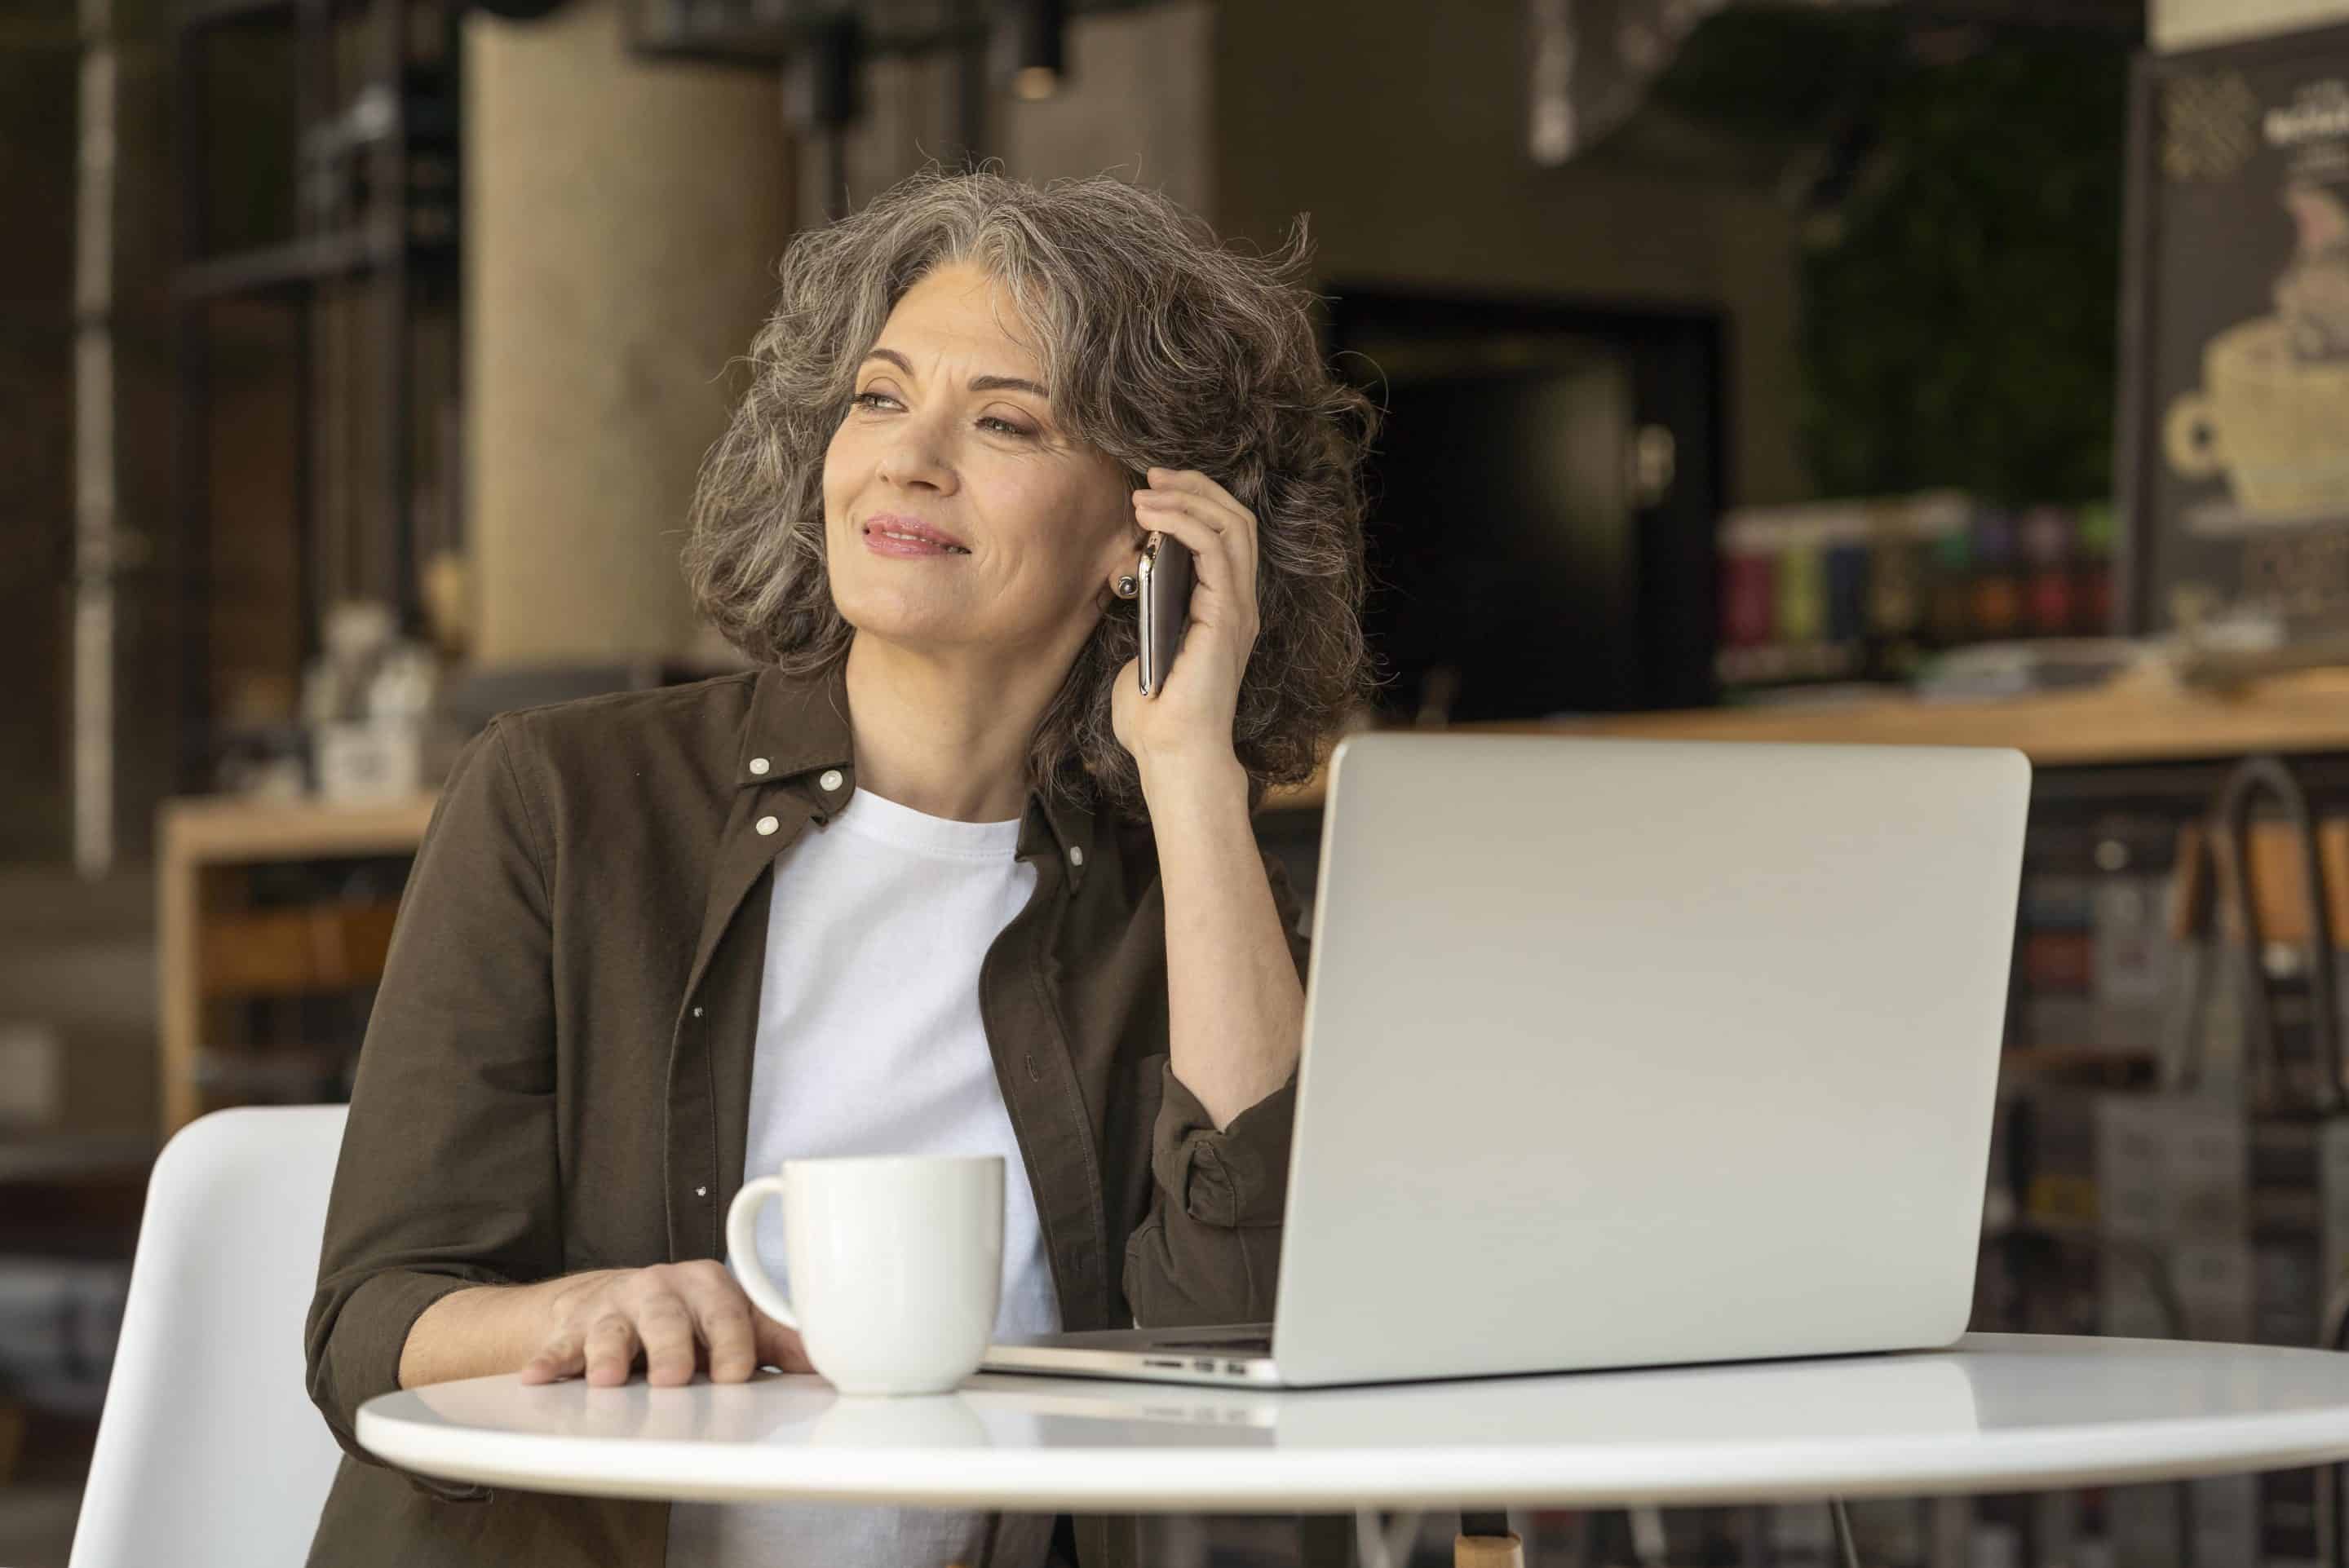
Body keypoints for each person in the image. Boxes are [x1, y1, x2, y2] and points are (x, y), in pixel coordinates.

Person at [302, 163, 1381, 1568]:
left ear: (1148, 534)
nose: (907, 459)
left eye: (1005, 421)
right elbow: (370, 1324)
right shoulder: (565, 800)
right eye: (880, 398)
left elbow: (1246, 1344)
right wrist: (573, 1317)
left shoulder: (1182, 893)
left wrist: (1192, 775)